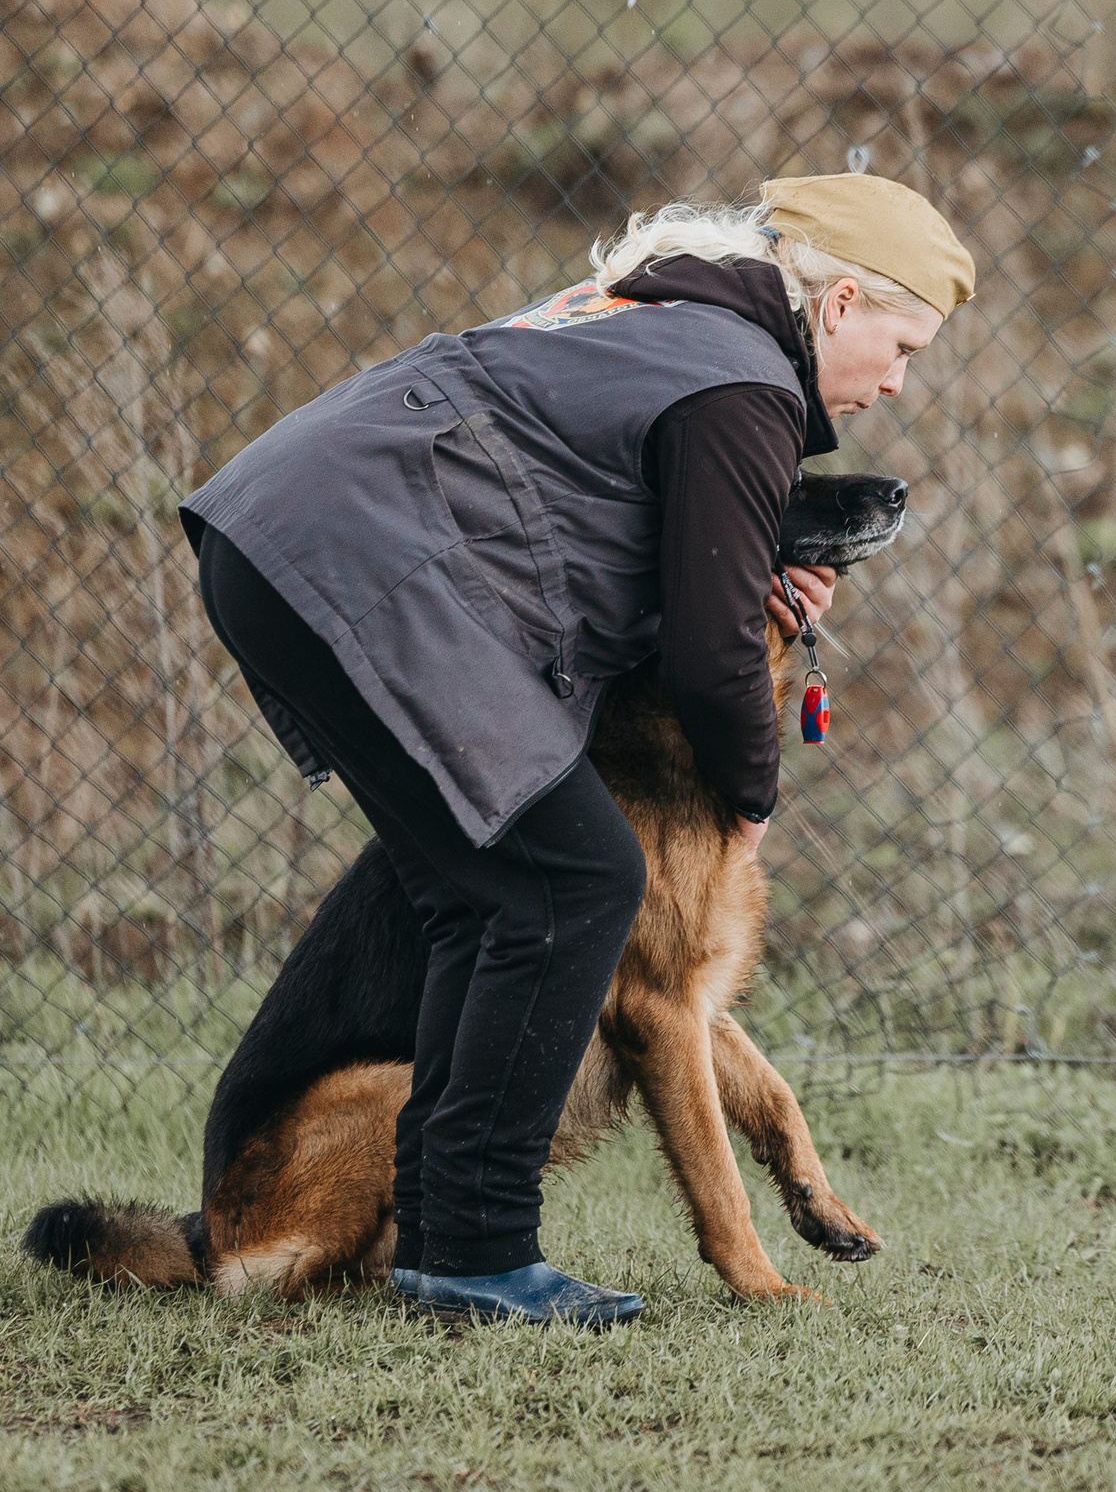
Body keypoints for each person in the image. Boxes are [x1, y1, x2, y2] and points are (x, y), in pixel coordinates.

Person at [179, 172, 973, 1326]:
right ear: (840, 303)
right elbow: (707, 658)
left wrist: (748, 574)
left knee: (488, 895)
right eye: (901, 344)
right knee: (571, 879)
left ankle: (450, 1245)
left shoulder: (670, 319)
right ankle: (477, 1254)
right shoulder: (745, 380)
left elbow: (604, 526)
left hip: (285, 535)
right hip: (354, 558)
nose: (897, 380)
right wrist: (750, 796)